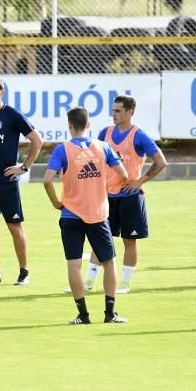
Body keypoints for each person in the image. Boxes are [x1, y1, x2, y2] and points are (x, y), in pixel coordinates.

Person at [43, 107, 128, 324]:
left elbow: (47, 179)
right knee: (109, 263)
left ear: (69, 125)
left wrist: (55, 202)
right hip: (97, 214)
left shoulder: (62, 150)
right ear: (89, 125)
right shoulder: (103, 147)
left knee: (74, 265)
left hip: (70, 214)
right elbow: (123, 175)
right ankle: (110, 314)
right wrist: (103, 186)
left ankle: (83, 315)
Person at [82, 95, 167, 293]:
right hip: (107, 197)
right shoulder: (106, 133)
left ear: (130, 112)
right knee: (101, 238)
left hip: (130, 197)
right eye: (113, 110)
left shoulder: (139, 136)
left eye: (118, 111)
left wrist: (140, 180)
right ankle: (88, 282)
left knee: (129, 240)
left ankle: (125, 284)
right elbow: (94, 158)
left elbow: (161, 162)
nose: (114, 114)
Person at [0, 76, 43, 286]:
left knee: (14, 226)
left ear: (1, 92)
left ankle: (24, 271)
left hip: (7, 181)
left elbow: (37, 140)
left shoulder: (11, 115)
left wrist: (24, 167)